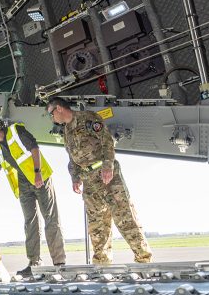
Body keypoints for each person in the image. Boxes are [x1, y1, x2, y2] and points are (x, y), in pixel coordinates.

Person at [48, 97, 153, 265]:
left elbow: (106, 140)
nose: (51, 118)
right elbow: (72, 157)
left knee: (124, 216)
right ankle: (102, 264)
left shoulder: (87, 118)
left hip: (106, 176)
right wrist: (75, 178)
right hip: (88, 180)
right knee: (97, 225)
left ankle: (144, 259)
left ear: (59, 108)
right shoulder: (67, 131)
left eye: (51, 113)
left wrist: (107, 165)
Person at [0, 122, 65, 276]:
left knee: (51, 219)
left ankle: (59, 262)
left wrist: (37, 172)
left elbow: (34, 148)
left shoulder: (16, 132)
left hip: (40, 178)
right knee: (30, 223)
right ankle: (34, 262)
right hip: (24, 184)